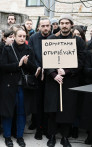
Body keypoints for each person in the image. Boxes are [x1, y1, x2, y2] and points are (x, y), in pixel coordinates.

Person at [44, 14, 85, 147]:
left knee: (67, 109)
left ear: (71, 25)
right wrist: (53, 74)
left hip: (70, 80)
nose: (64, 25)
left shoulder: (77, 41)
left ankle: (65, 137)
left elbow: (81, 60)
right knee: (52, 110)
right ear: (59, 24)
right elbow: (46, 60)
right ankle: (51, 136)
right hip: (54, 80)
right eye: (62, 23)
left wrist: (67, 71)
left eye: (67, 23)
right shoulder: (51, 38)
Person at [0, 27, 38, 147]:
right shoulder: (7, 48)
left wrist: (27, 63)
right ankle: (7, 137)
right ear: (14, 37)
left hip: (23, 87)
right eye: (19, 36)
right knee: (8, 112)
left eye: (24, 36)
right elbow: (3, 67)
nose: (22, 38)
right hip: (9, 86)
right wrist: (18, 64)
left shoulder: (29, 49)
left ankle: (20, 136)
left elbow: (34, 69)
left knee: (22, 113)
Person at [28, 18, 52, 140]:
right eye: (43, 26)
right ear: (39, 27)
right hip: (38, 75)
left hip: (51, 76)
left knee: (48, 104)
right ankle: (39, 128)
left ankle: (47, 129)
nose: (45, 28)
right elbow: (31, 55)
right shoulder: (33, 38)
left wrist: (49, 70)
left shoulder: (54, 38)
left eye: (47, 25)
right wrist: (39, 68)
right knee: (38, 104)